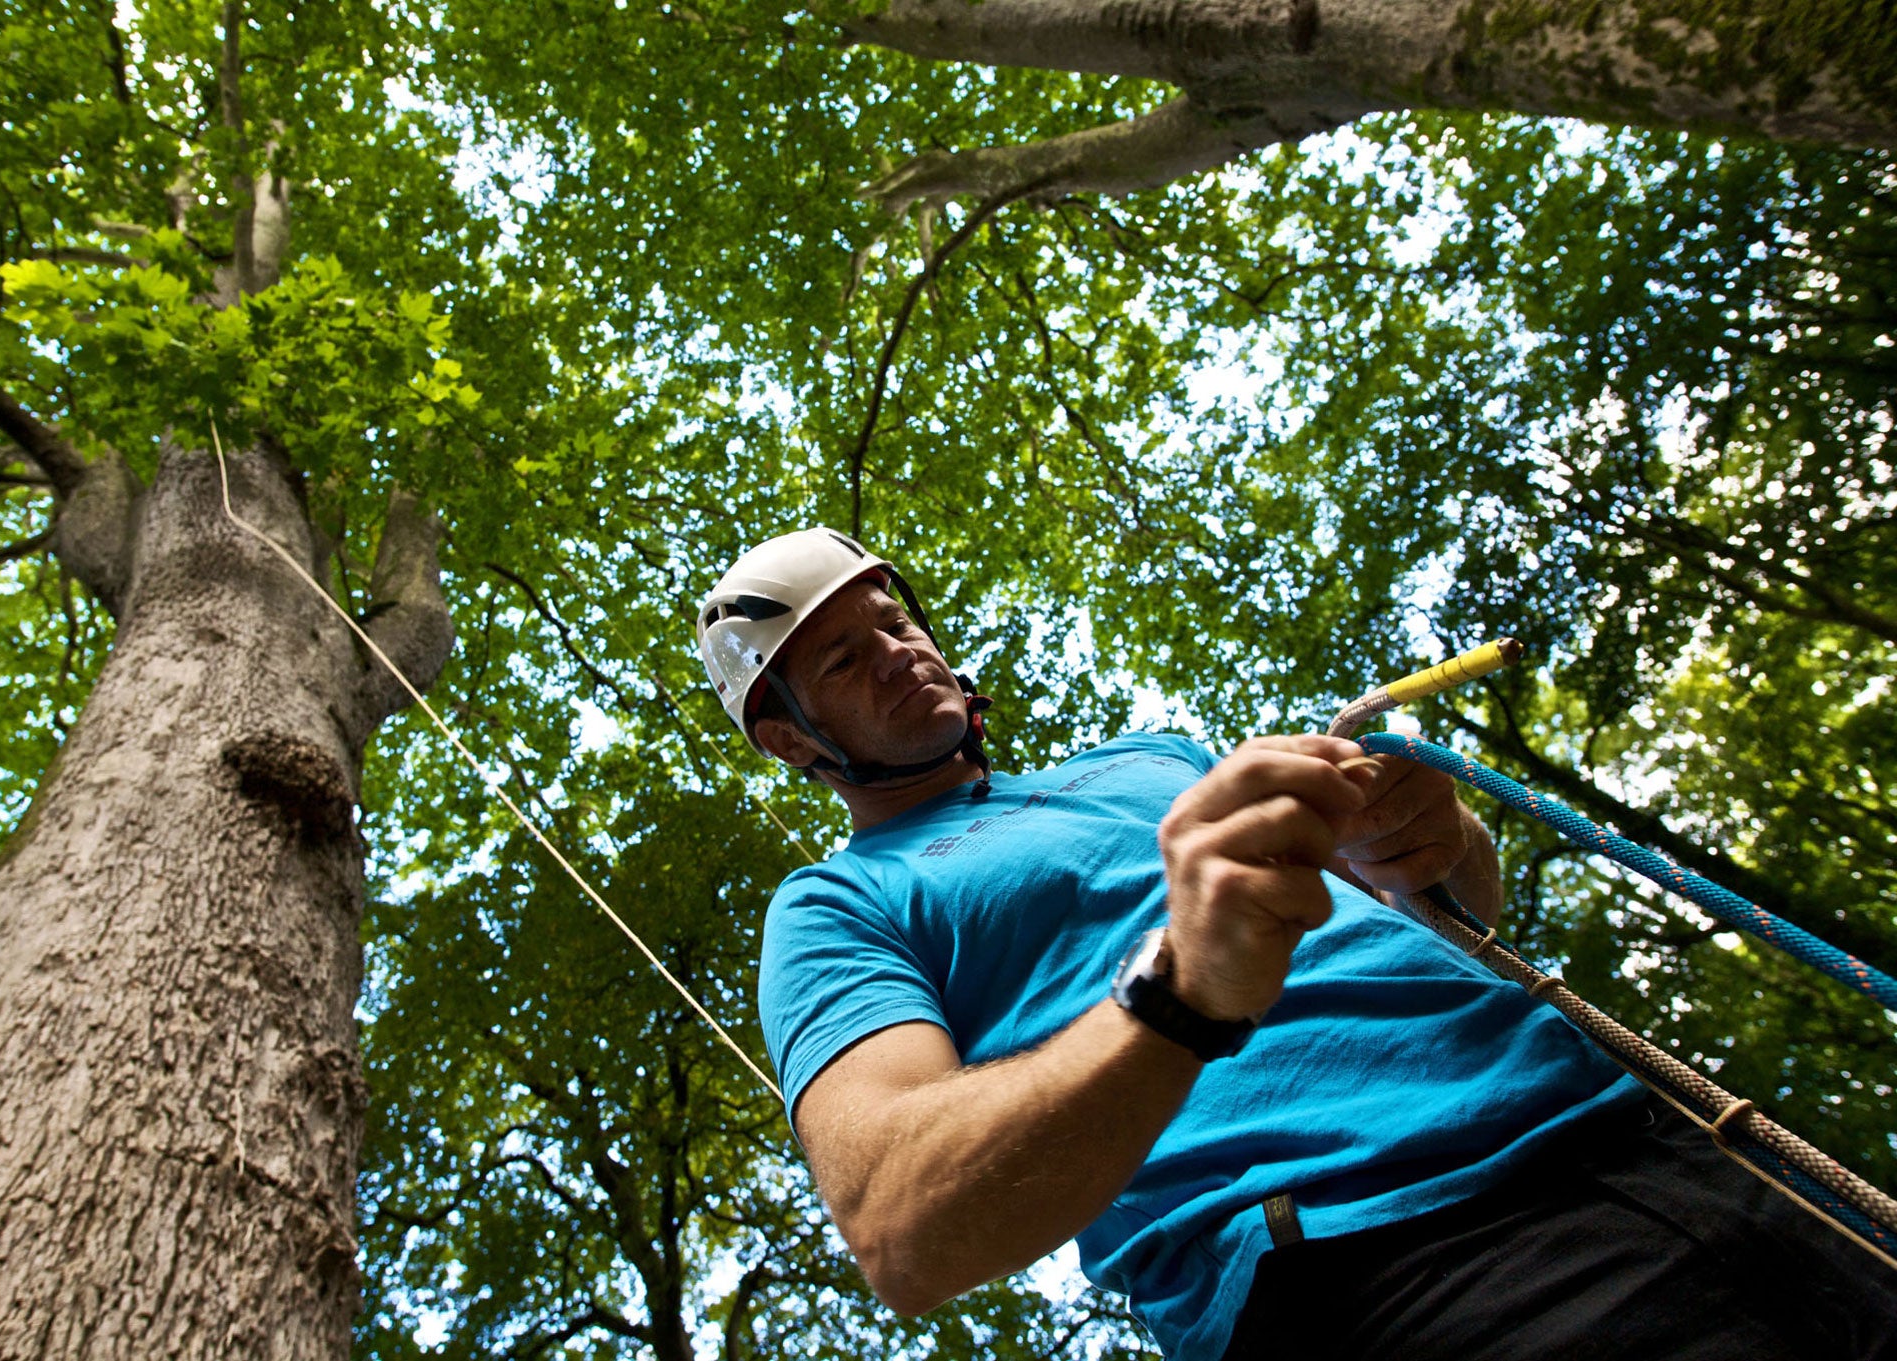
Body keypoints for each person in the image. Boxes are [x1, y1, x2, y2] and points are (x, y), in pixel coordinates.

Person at [695, 527, 1897, 1359]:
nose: (899, 647)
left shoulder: (1153, 758)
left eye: (891, 618)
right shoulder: (836, 903)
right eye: (845, 659)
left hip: (1672, 1142)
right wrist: (1176, 992)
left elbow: (1452, 907)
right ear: (794, 742)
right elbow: (899, 1217)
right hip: (1380, 1266)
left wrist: (1425, 835)